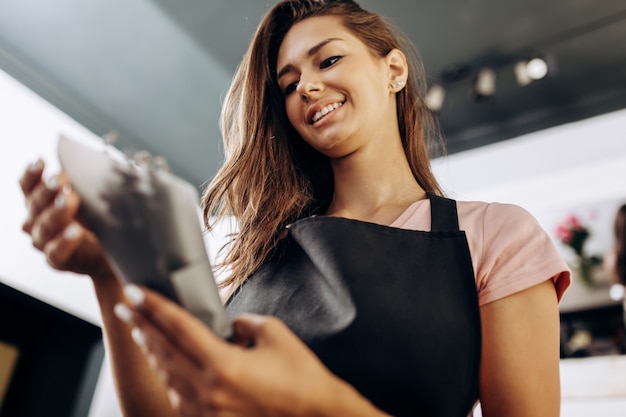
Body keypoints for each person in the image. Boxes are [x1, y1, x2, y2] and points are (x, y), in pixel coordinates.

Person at [19, 0, 571, 416]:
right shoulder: (258, 261)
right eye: (288, 84)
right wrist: (107, 272)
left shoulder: (496, 237)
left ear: (394, 70)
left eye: (328, 59)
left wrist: (318, 403)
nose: (307, 86)